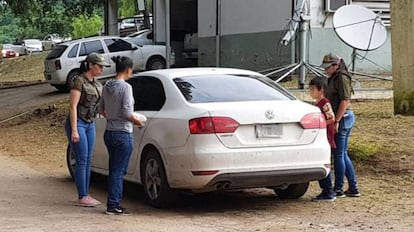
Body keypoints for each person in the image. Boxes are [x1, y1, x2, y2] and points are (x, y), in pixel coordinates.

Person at [98, 56, 143, 215]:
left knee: (114, 169)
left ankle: (113, 201)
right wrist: (136, 120)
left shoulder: (107, 85)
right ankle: (113, 204)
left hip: (109, 131)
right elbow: (126, 112)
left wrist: (112, 115)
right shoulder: (126, 88)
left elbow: (101, 110)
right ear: (128, 70)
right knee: (118, 171)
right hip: (123, 132)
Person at [65, 52, 110, 206]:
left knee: (88, 159)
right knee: (82, 159)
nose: (102, 69)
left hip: (89, 122)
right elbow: (73, 106)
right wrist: (74, 129)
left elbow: (100, 106)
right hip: (78, 122)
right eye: (99, 66)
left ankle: (85, 194)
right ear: (91, 65)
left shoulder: (97, 84)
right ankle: (82, 195)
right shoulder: (79, 81)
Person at [321, 53, 360, 198]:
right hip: (342, 118)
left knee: (338, 154)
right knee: (342, 154)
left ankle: (338, 188)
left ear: (336, 66)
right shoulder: (333, 78)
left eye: (328, 67)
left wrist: (336, 121)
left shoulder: (341, 78)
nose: (326, 70)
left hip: (343, 118)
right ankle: (353, 187)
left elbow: (345, 101)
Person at [309, 76, 337, 201]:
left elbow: (332, 118)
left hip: (325, 137)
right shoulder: (316, 104)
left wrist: (320, 125)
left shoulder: (325, 103)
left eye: (313, 89)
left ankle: (328, 190)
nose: (310, 91)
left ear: (321, 90)